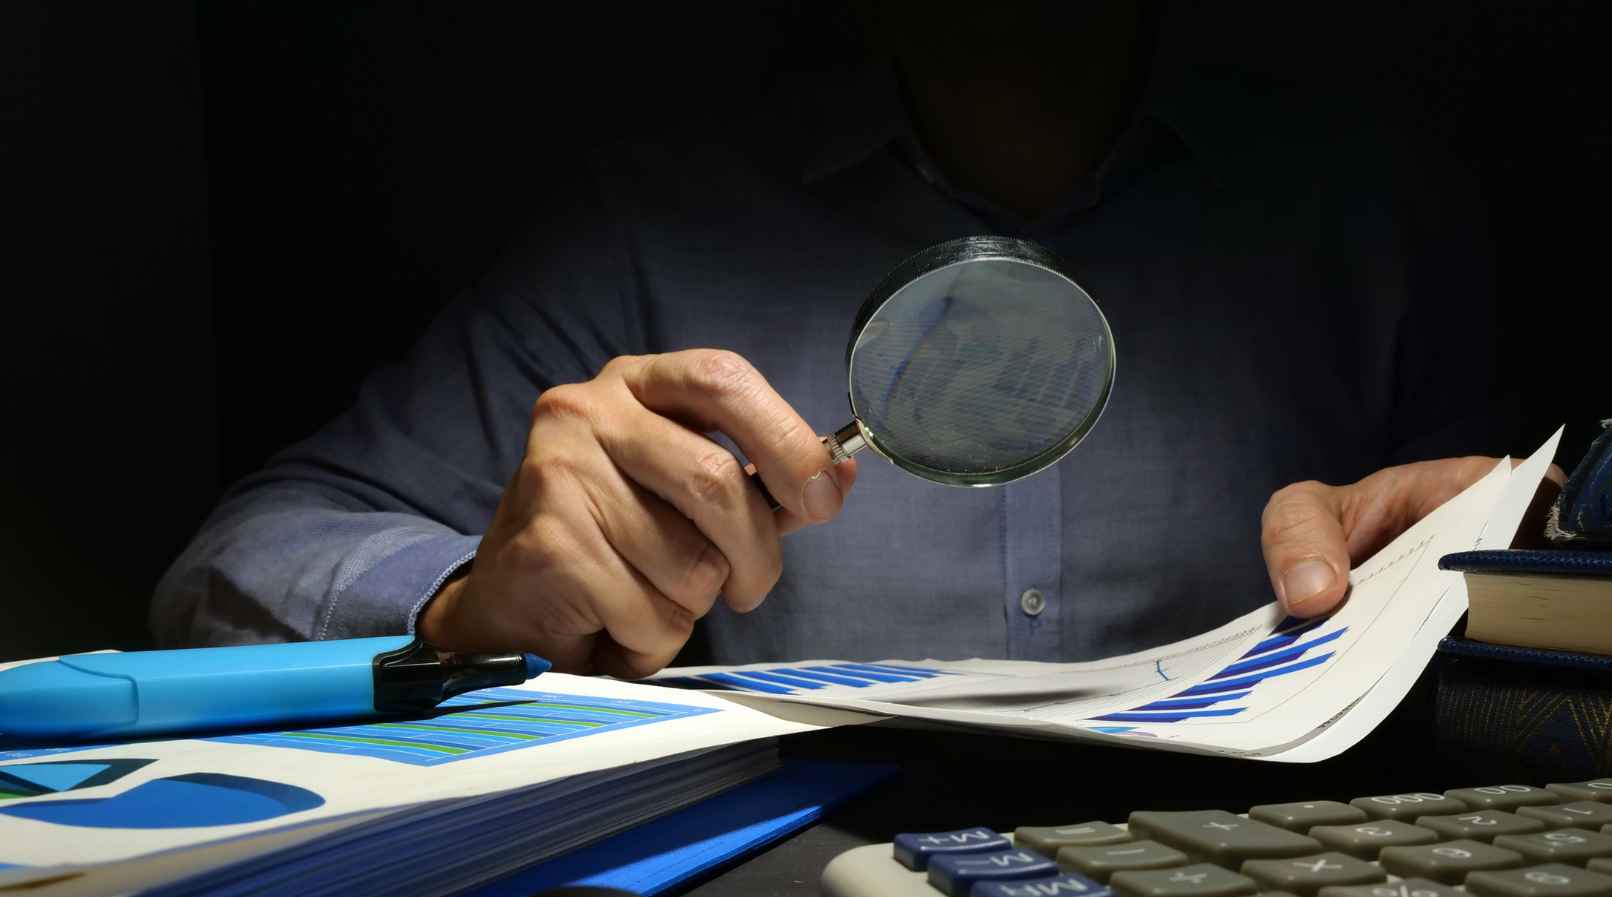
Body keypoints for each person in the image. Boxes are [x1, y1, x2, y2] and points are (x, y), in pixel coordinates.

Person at [154, 3, 1516, 676]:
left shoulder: (1373, 208)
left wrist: (1505, 561)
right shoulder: (651, 224)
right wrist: (471, 604)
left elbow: (1548, 582)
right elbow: (228, 573)